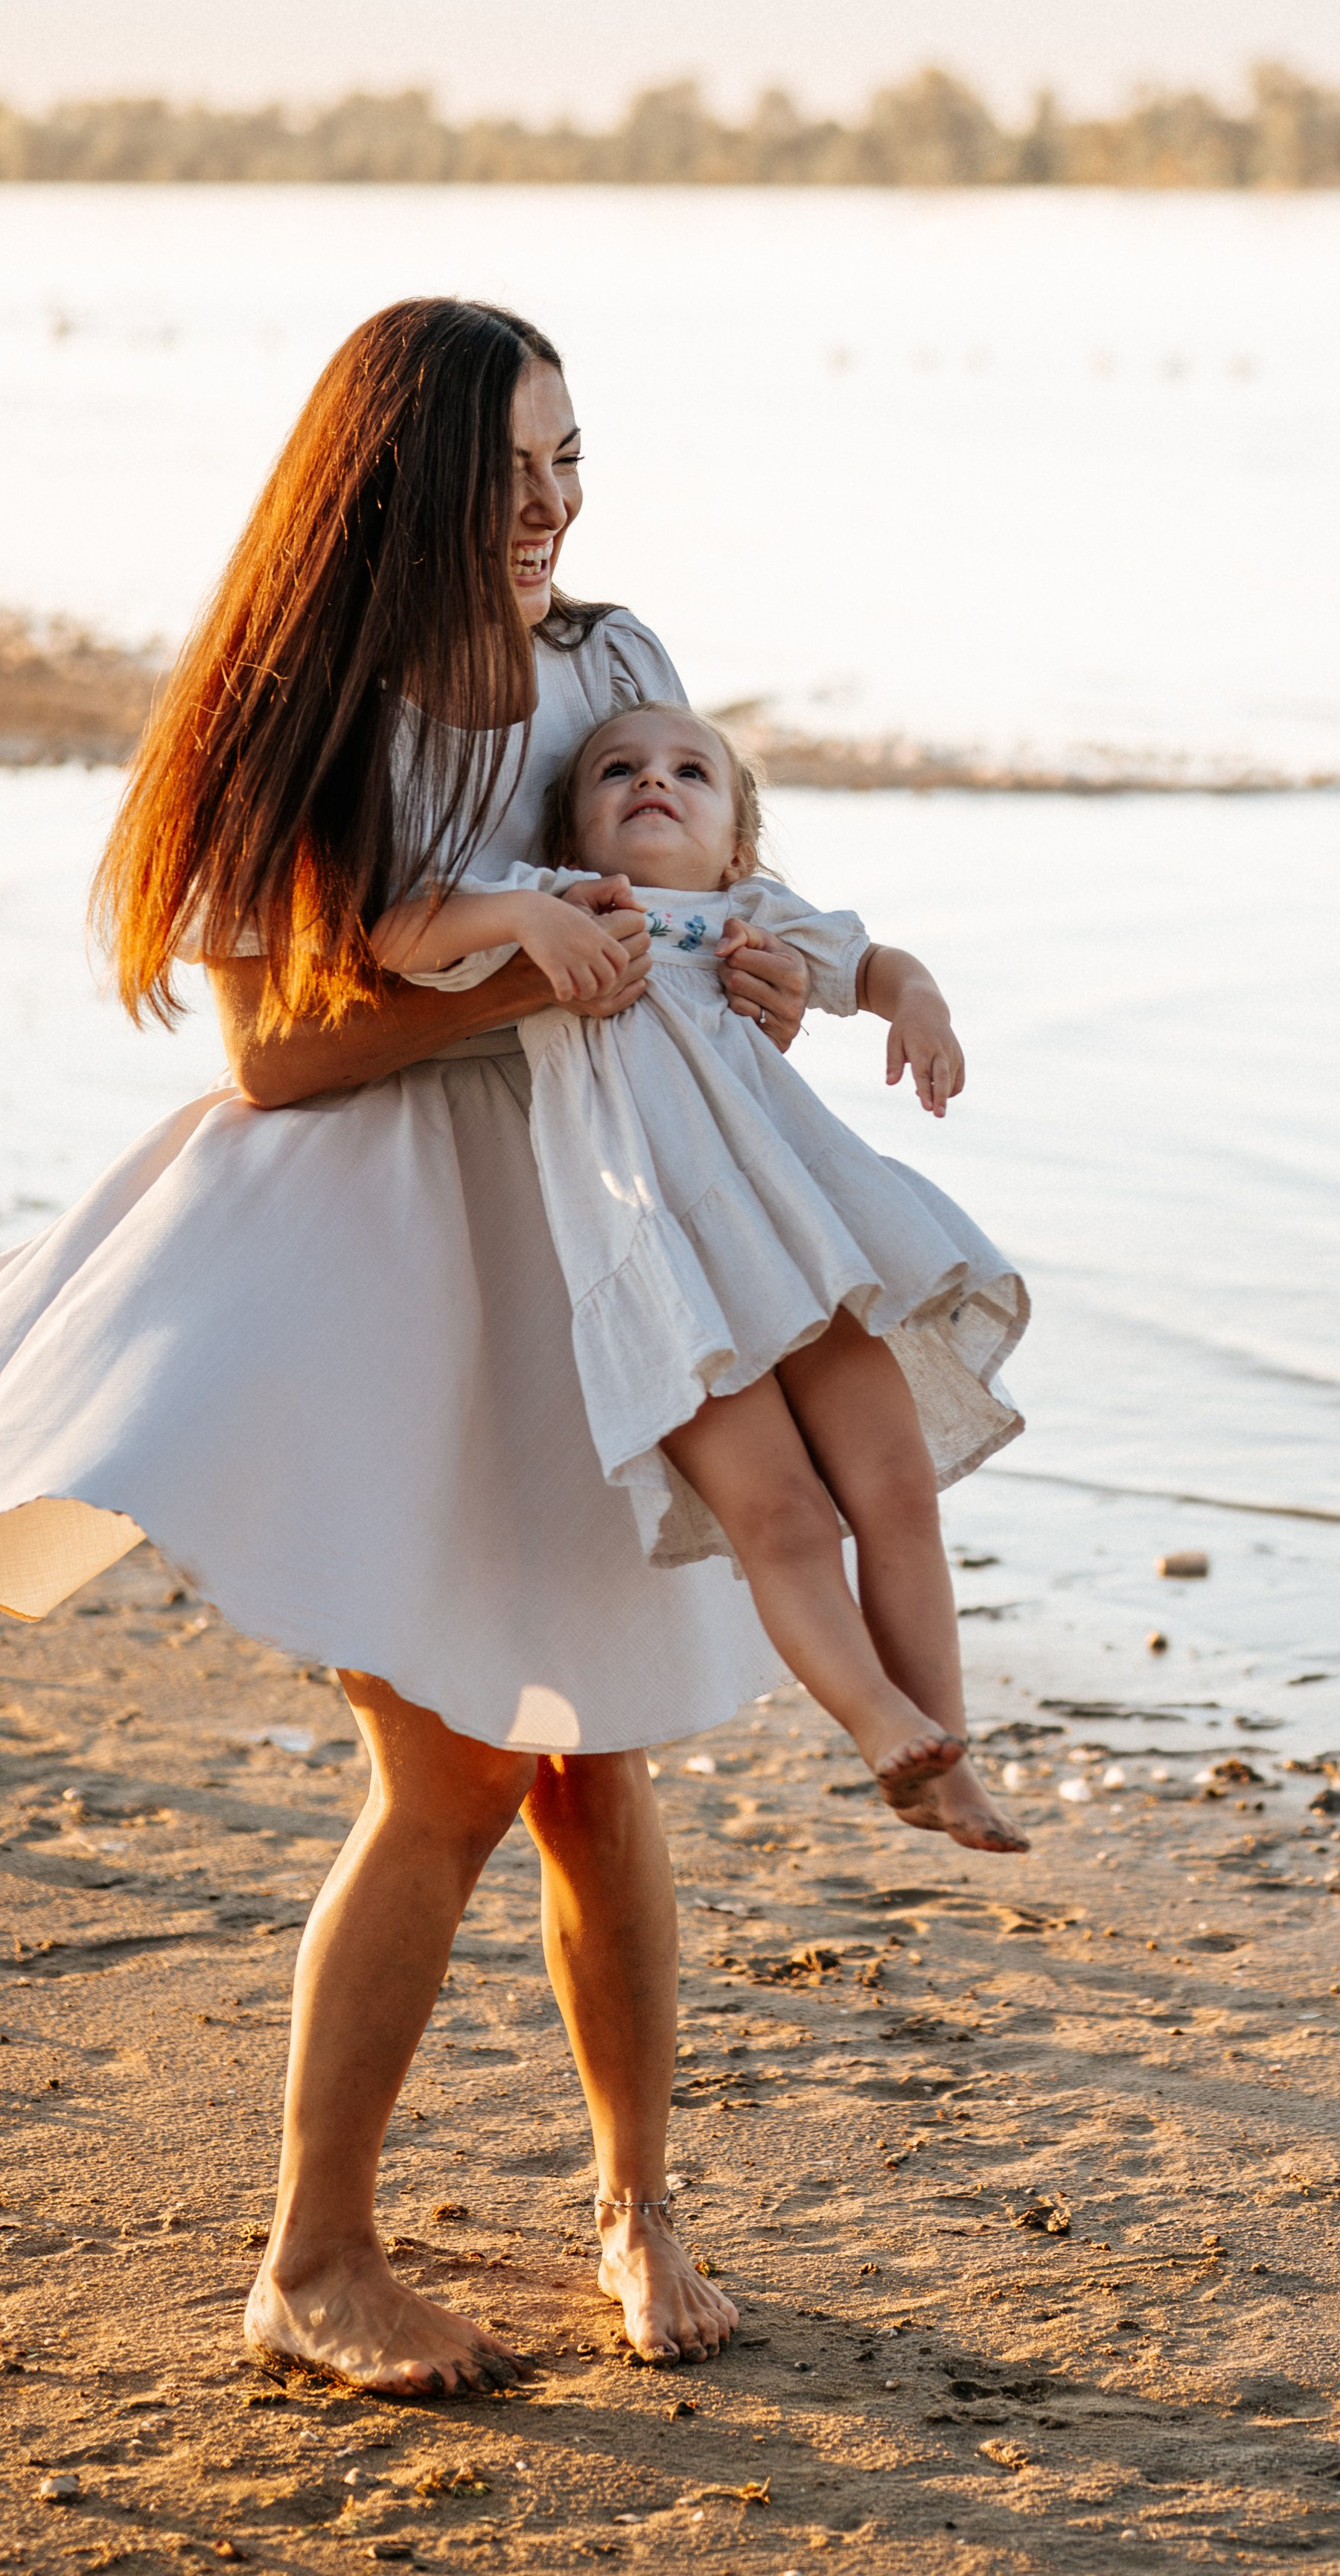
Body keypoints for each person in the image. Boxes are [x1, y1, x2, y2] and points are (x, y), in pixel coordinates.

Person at [0, 298, 817, 2394]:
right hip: (367, 1265)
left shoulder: (614, 661)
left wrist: (721, 969)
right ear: (396, 483)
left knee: (597, 1750)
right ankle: (310, 2256)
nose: (547, 503)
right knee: (456, 1767)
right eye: (503, 472)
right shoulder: (303, 707)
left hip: (583, 1242)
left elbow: (670, 889)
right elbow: (280, 1052)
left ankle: (638, 2205)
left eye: (568, 456)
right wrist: (512, 982)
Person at [371, 700, 1030, 1849]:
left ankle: (949, 1751)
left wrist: (915, 1001)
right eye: (616, 771)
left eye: (689, 771)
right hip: (667, 1262)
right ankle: (878, 1723)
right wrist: (528, 909)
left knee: (896, 1487)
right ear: (572, 837)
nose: (652, 781)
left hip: (800, 1236)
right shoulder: (567, 910)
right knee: (776, 1513)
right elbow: (394, 935)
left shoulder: (748, 916)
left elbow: (872, 963)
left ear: (736, 845)